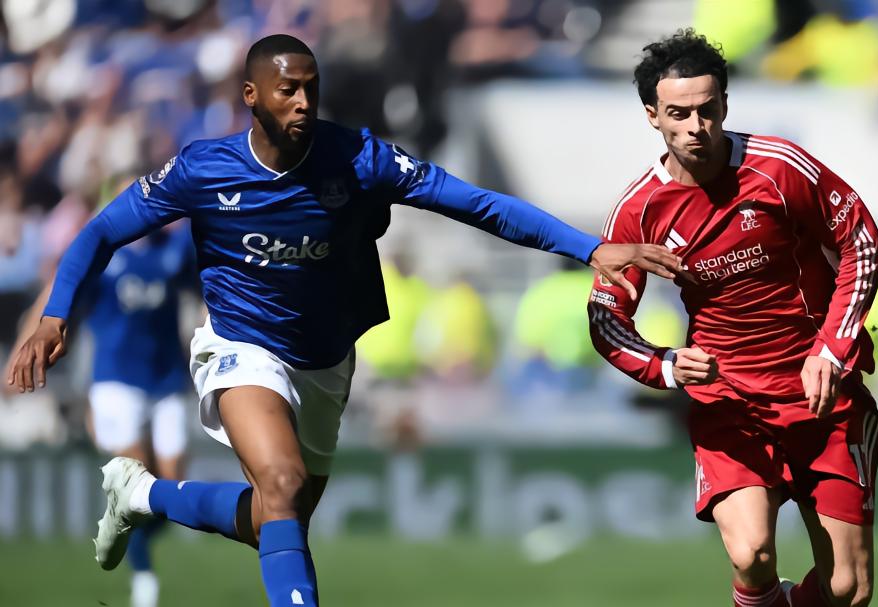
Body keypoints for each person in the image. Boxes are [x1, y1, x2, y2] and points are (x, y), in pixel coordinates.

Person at [6, 34, 679, 607]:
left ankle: (144, 494)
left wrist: (588, 247)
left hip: (326, 358)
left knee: (277, 516)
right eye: (287, 90)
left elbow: (476, 203)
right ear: (251, 96)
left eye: (311, 88)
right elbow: (101, 231)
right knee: (281, 485)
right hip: (240, 345)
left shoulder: (359, 158)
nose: (303, 102)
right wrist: (56, 315)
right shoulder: (203, 170)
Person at [587, 30, 878, 607]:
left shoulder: (779, 168)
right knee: (752, 556)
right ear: (652, 116)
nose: (696, 126)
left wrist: (830, 348)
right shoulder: (639, 210)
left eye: (707, 110)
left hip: (820, 396)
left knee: (849, 591)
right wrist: (663, 366)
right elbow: (606, 316)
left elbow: (862, 241)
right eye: (679, 114)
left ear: (725, 104)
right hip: (730, 402)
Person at [9, 224, 197, 607]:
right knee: (138, 486)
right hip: (116, 382)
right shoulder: (104, 252)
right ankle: (144, 580)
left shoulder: (177, 248)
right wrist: (22, 350)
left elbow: (208, 286)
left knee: (173, 492)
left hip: (167, 380)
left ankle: (123, 530)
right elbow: (56, 297)